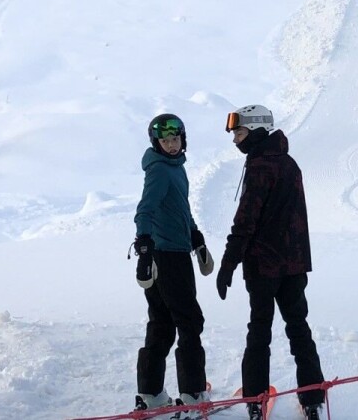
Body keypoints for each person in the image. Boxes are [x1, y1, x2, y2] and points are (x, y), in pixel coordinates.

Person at [215, 105, 326, 420]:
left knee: (259, 331)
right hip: (294, 266)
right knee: (298, 329)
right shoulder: (289, 163)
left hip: (264, 267)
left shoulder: (260, 166)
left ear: (258, 129)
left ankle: (254, 400)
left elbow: (245, 221)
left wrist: (228, 263)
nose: (236, 140)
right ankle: (312, 397)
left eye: (239, 132)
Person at [131, 113, 215, 415]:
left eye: (175, 139)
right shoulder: (161, 171)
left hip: (171, 252)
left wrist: (196, 235)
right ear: (157, 143)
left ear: (183, 140)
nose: (170, 144)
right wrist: (144, 244)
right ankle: (194, 396)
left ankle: (151, 393)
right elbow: (146, 209)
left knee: (162, 323)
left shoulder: (174, 169)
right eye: (165, 140)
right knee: (189, 322)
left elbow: (180, 208)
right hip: (168, 258)